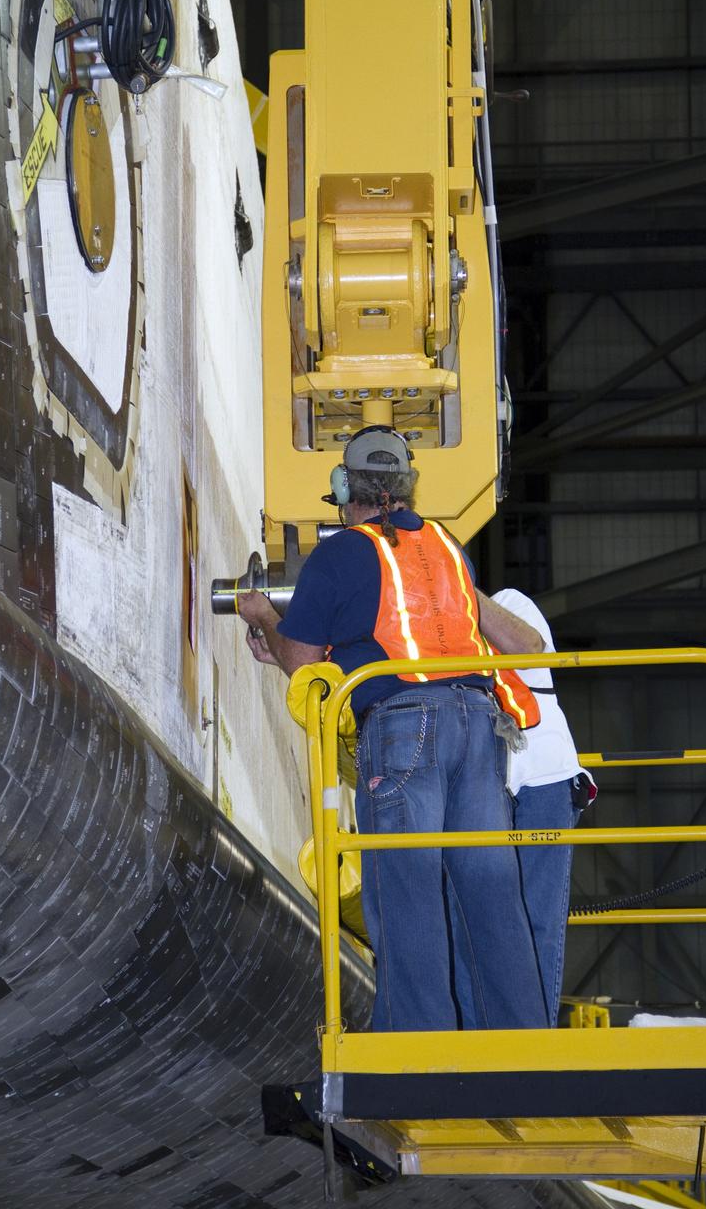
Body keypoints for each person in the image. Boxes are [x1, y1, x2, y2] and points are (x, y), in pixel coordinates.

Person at [237, 425, 549, 1033]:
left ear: (345, 488)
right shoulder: (447, 547)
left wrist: (265, 620)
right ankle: (525, 1039)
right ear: (408, 486)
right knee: (489, 889)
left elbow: (304, 662)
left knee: (404, 885)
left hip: (406, 731)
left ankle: (419, 1045)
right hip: (479, 726)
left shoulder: (342, 553)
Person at [492, 588, 596, 1028]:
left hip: (543, 780)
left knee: (538, 920)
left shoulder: (507, 602)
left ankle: (534, 1037)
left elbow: (530, 646)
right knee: (493, 919)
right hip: (490, 781)